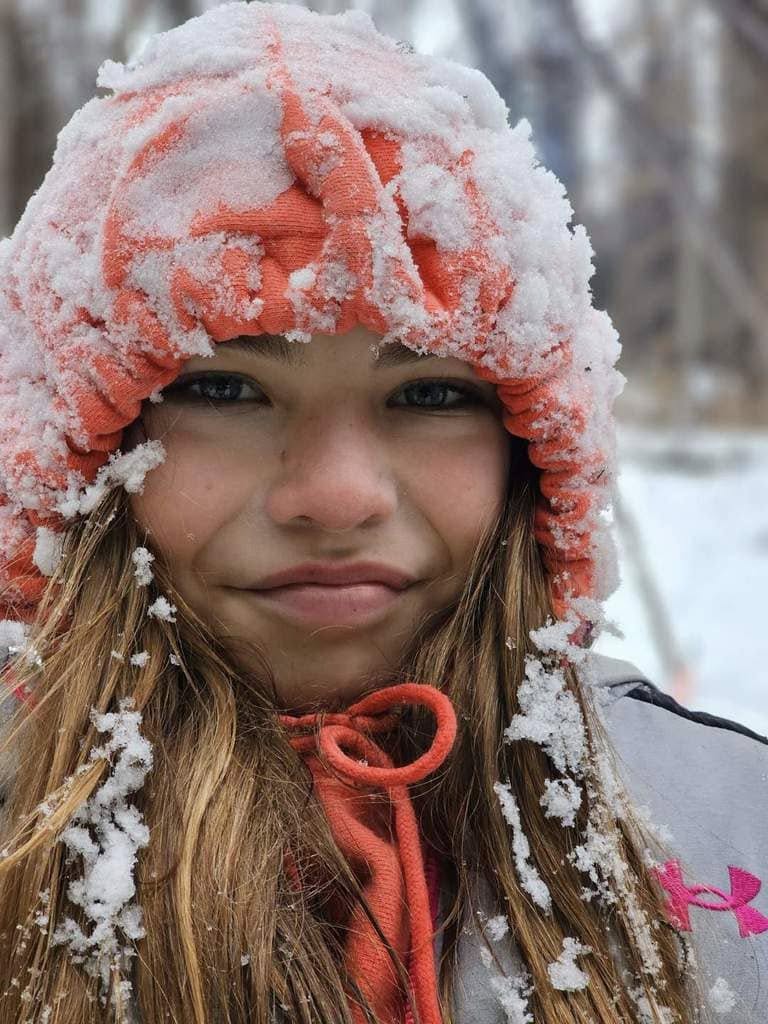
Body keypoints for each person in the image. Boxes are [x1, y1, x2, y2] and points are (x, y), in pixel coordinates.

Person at [0, 4, 764, 1023]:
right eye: (225, 391)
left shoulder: (729, 828)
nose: (338, 495)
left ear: (533, 458)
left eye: (432, 394)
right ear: (74, 463)